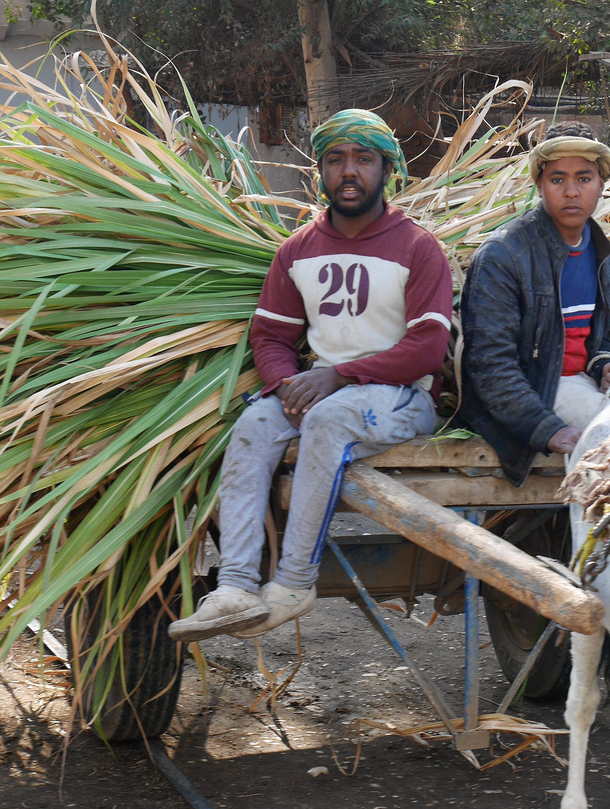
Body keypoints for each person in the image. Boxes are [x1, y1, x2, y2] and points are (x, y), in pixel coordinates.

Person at [170, 110, 452, 642]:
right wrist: (285, 386)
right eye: (336, 159)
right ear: (319, 171)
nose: (350, 172)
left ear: (387, 170)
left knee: (327, 417)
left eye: (364, 160)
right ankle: (234, 586)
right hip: (327, 392)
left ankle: (295, 583)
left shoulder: (418, 247)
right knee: (254, 424)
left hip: (401, 398)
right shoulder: (298, 249)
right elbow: (270, 338)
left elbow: (428, 348)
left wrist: (340, 377)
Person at [457, 121, 610, 485]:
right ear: (539, 184)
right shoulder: (503, 256)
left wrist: (605, 366)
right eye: (557, 180)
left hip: (576, 386)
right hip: (532, 393)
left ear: (601, 185)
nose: (571, 192)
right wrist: (545, 428)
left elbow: (603, 339)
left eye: (584, 179)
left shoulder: (600, 252)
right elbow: (489, 366)